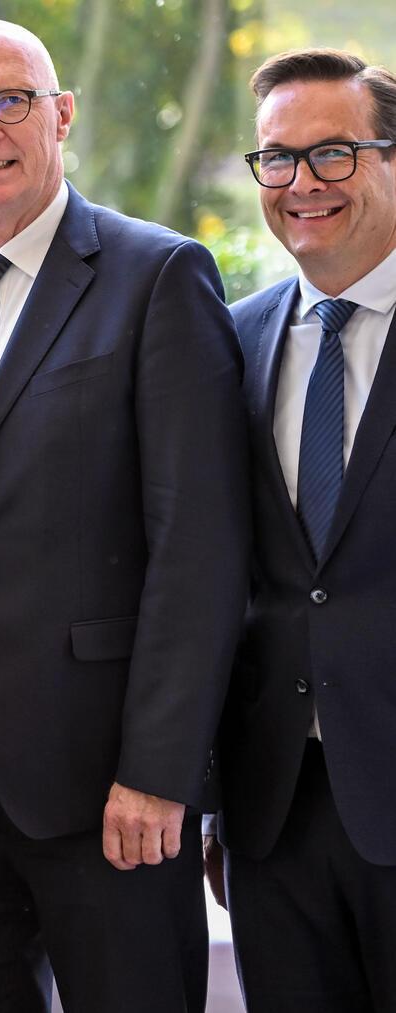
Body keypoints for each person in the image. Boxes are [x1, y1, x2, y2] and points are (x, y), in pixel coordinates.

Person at [0, 19, 250, 1013]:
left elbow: (199, 547)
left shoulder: (158, 276)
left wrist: (161, 770)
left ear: (60, 113)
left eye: (11, 99)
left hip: (107, 789)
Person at [208, 48, 396, 1012]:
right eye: (276, 160)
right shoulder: (229, 340)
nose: (300, 185)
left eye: (334, 153)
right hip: (272, 808)